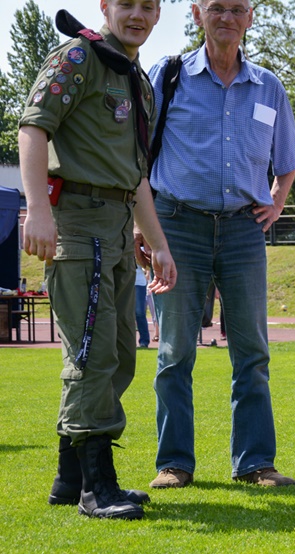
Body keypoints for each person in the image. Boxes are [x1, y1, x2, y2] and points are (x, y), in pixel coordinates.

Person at [19, 0, 177, 519]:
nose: (138, 14)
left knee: (119, 353)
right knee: (90, 353)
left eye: (148, 6)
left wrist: (157, 243)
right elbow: (33, 128)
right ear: (105, 6)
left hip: (115, 226)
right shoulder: (77, 58)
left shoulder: (136, 78)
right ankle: (96, 487)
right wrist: (38, 210)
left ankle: (69, 477)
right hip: (77, 222)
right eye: (126, 3)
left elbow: (137, 177)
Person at [146, 0, 295, 490]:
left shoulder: (269, 86)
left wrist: (276, 203)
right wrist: (142, 226)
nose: (227, 18)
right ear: (197, 14)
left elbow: (288, 159)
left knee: (252, 353)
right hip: (176, 226)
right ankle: (174, 464)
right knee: (174, 352)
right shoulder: (168, 77)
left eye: (237, 9)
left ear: (250, 18)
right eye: (217, 8)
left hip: (242, 232)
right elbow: (135, 156)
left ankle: (255, 463)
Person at [136, 264, 150, 348]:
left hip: (139, 282)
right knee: (124, 314)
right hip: (124, 281)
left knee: (140, 312)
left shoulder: (139, 250)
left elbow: (147, 265)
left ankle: (144, 341)